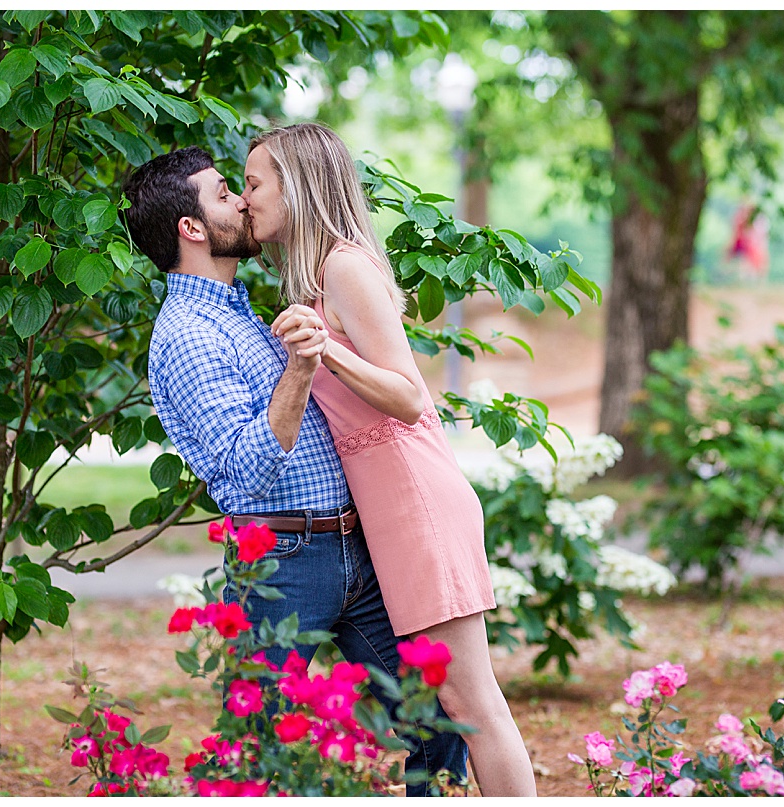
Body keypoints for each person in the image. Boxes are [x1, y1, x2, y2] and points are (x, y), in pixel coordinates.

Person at [122, 146, 468, 796]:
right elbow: (246, 469)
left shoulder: (239, 308)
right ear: (191, 229)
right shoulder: (189, 336)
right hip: (283, 564)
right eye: (226, 193)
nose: (243, 201)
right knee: (260, 753)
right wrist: (305, 366)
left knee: (437, 718)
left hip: (354, 553)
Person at [242, 123, 538, 796]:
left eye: (256, 182)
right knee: (453, 704)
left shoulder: (344, 266)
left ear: (299, 184)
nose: (247, 197)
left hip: (418, 503)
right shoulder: (316, 276)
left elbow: (409, 395)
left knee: (472, 705)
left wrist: (326, 348)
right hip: (390, 511)